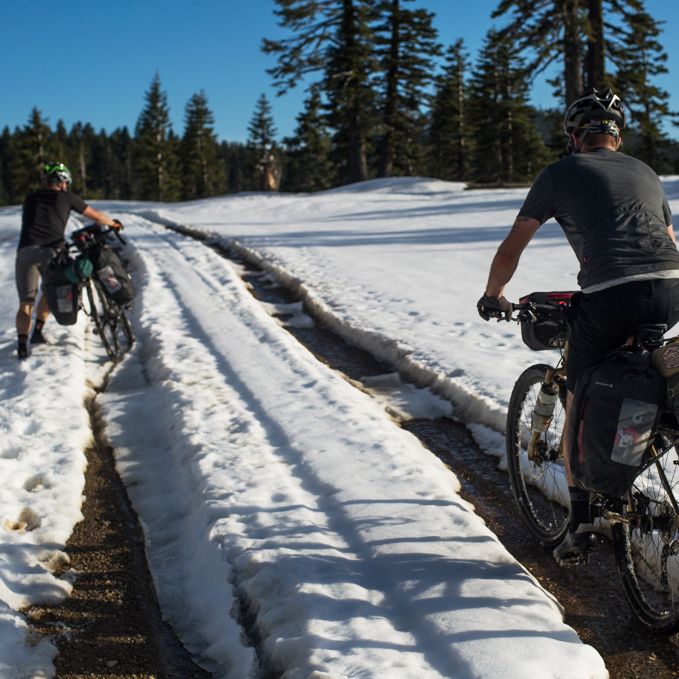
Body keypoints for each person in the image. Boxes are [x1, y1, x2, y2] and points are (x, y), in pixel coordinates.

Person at [477, 88, 679, 565]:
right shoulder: (645, 170)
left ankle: (582, 519)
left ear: (575, 137)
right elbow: (667, 238)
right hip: (672, 288)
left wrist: (492, 295)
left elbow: (513, 247)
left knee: (581, 392)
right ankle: (633, 447)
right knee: (636, 374)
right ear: (617, 136)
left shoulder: (559, 173)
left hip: (611, 293)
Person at [15, 161, 120, 359]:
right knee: (50, 288)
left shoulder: (30, 198)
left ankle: (22, 344)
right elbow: (95, 216)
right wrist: (113, 224)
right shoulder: (66, 197)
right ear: (62, 182)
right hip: (52, 252)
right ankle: (37, 331)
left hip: (25, 251)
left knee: (25, 302)